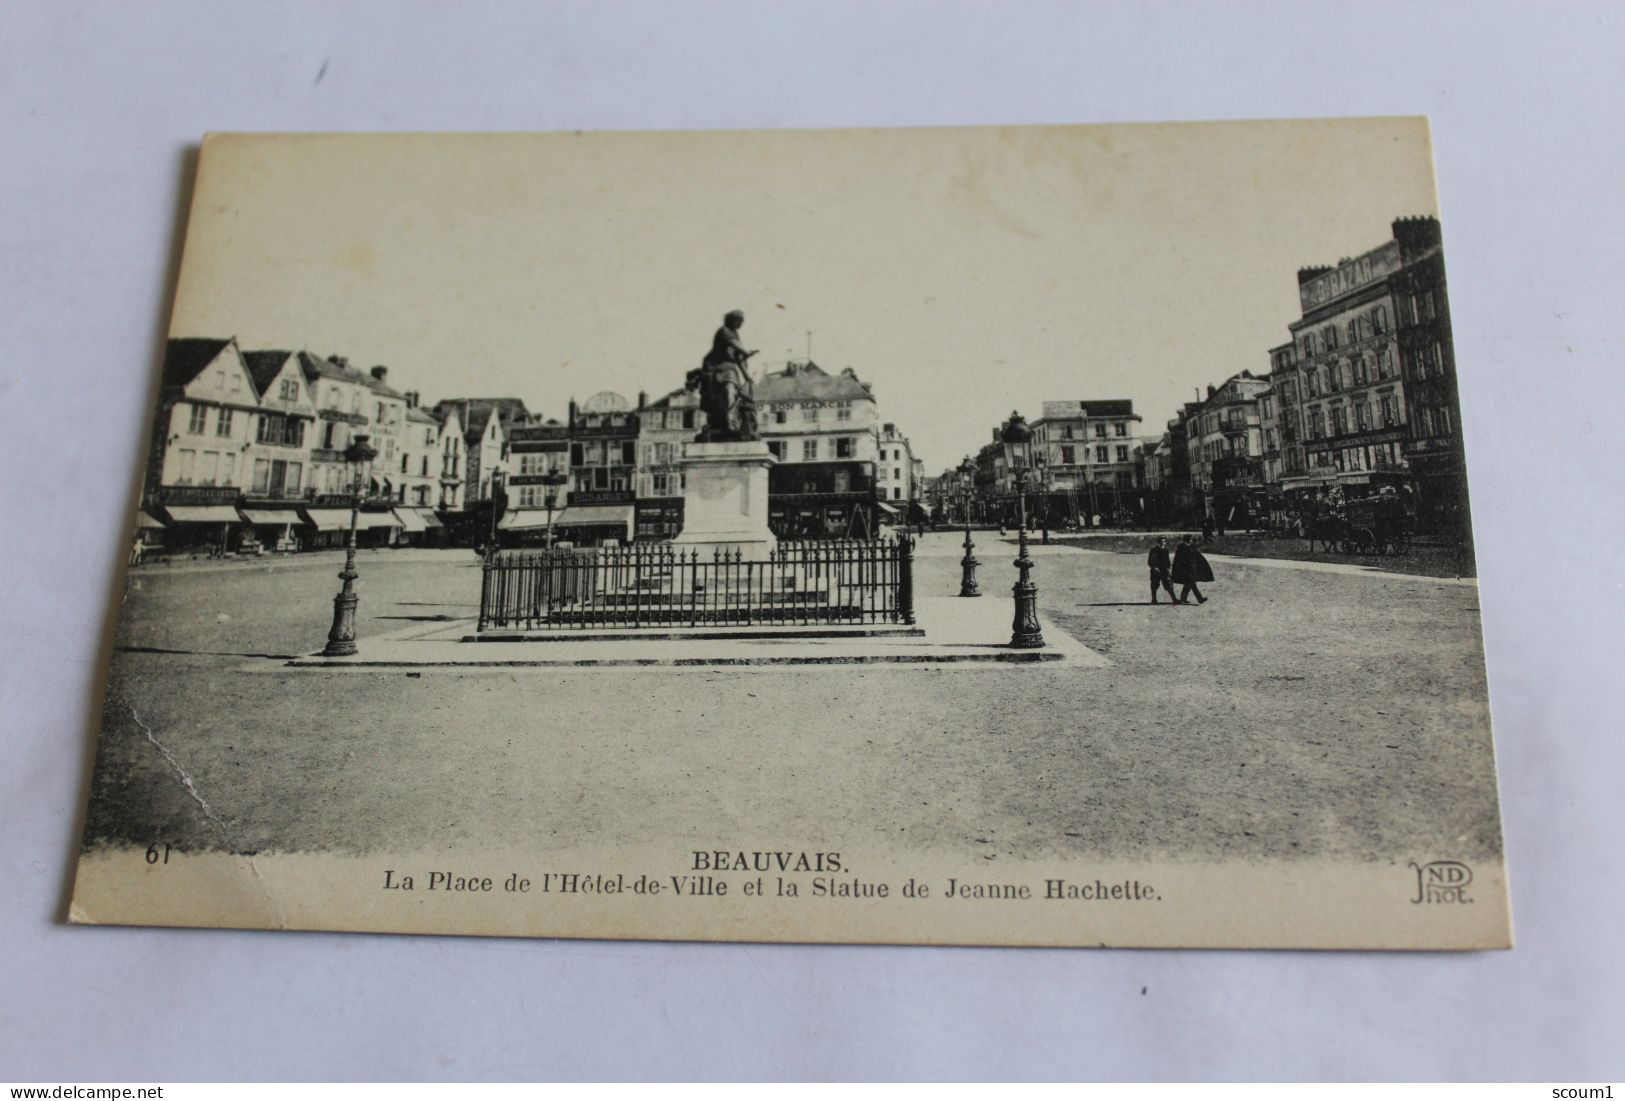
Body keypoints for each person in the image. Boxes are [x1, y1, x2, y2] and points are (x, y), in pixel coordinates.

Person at [1171, 534, 1212, 604]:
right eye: (1189, 540)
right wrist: (1186, 563)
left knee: (1188, 583)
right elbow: (1179, 558)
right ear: (1185, 540)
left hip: (1192, 568)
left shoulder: (1192, 546)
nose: (1190, 541)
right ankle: (1200, 599)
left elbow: (1197, 555)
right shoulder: (1181, 547)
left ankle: (1183, 599)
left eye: (1191, 540)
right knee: (1192, 583)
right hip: (1184, 569)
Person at [1147, 536, 1177, 604]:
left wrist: (1169, 566)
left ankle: (1174, 599)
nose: (1162, 543)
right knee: (1154, 585)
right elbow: (1150, 561)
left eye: (1164, 541)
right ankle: (1154, 599)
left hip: (1165, 570)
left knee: (1169, 584)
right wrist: (1154, 567)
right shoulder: (1154, 550)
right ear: (1158, 542)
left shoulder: (1166, 550)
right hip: (1156, 570)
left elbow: (1167, 560)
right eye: (1161, 541)